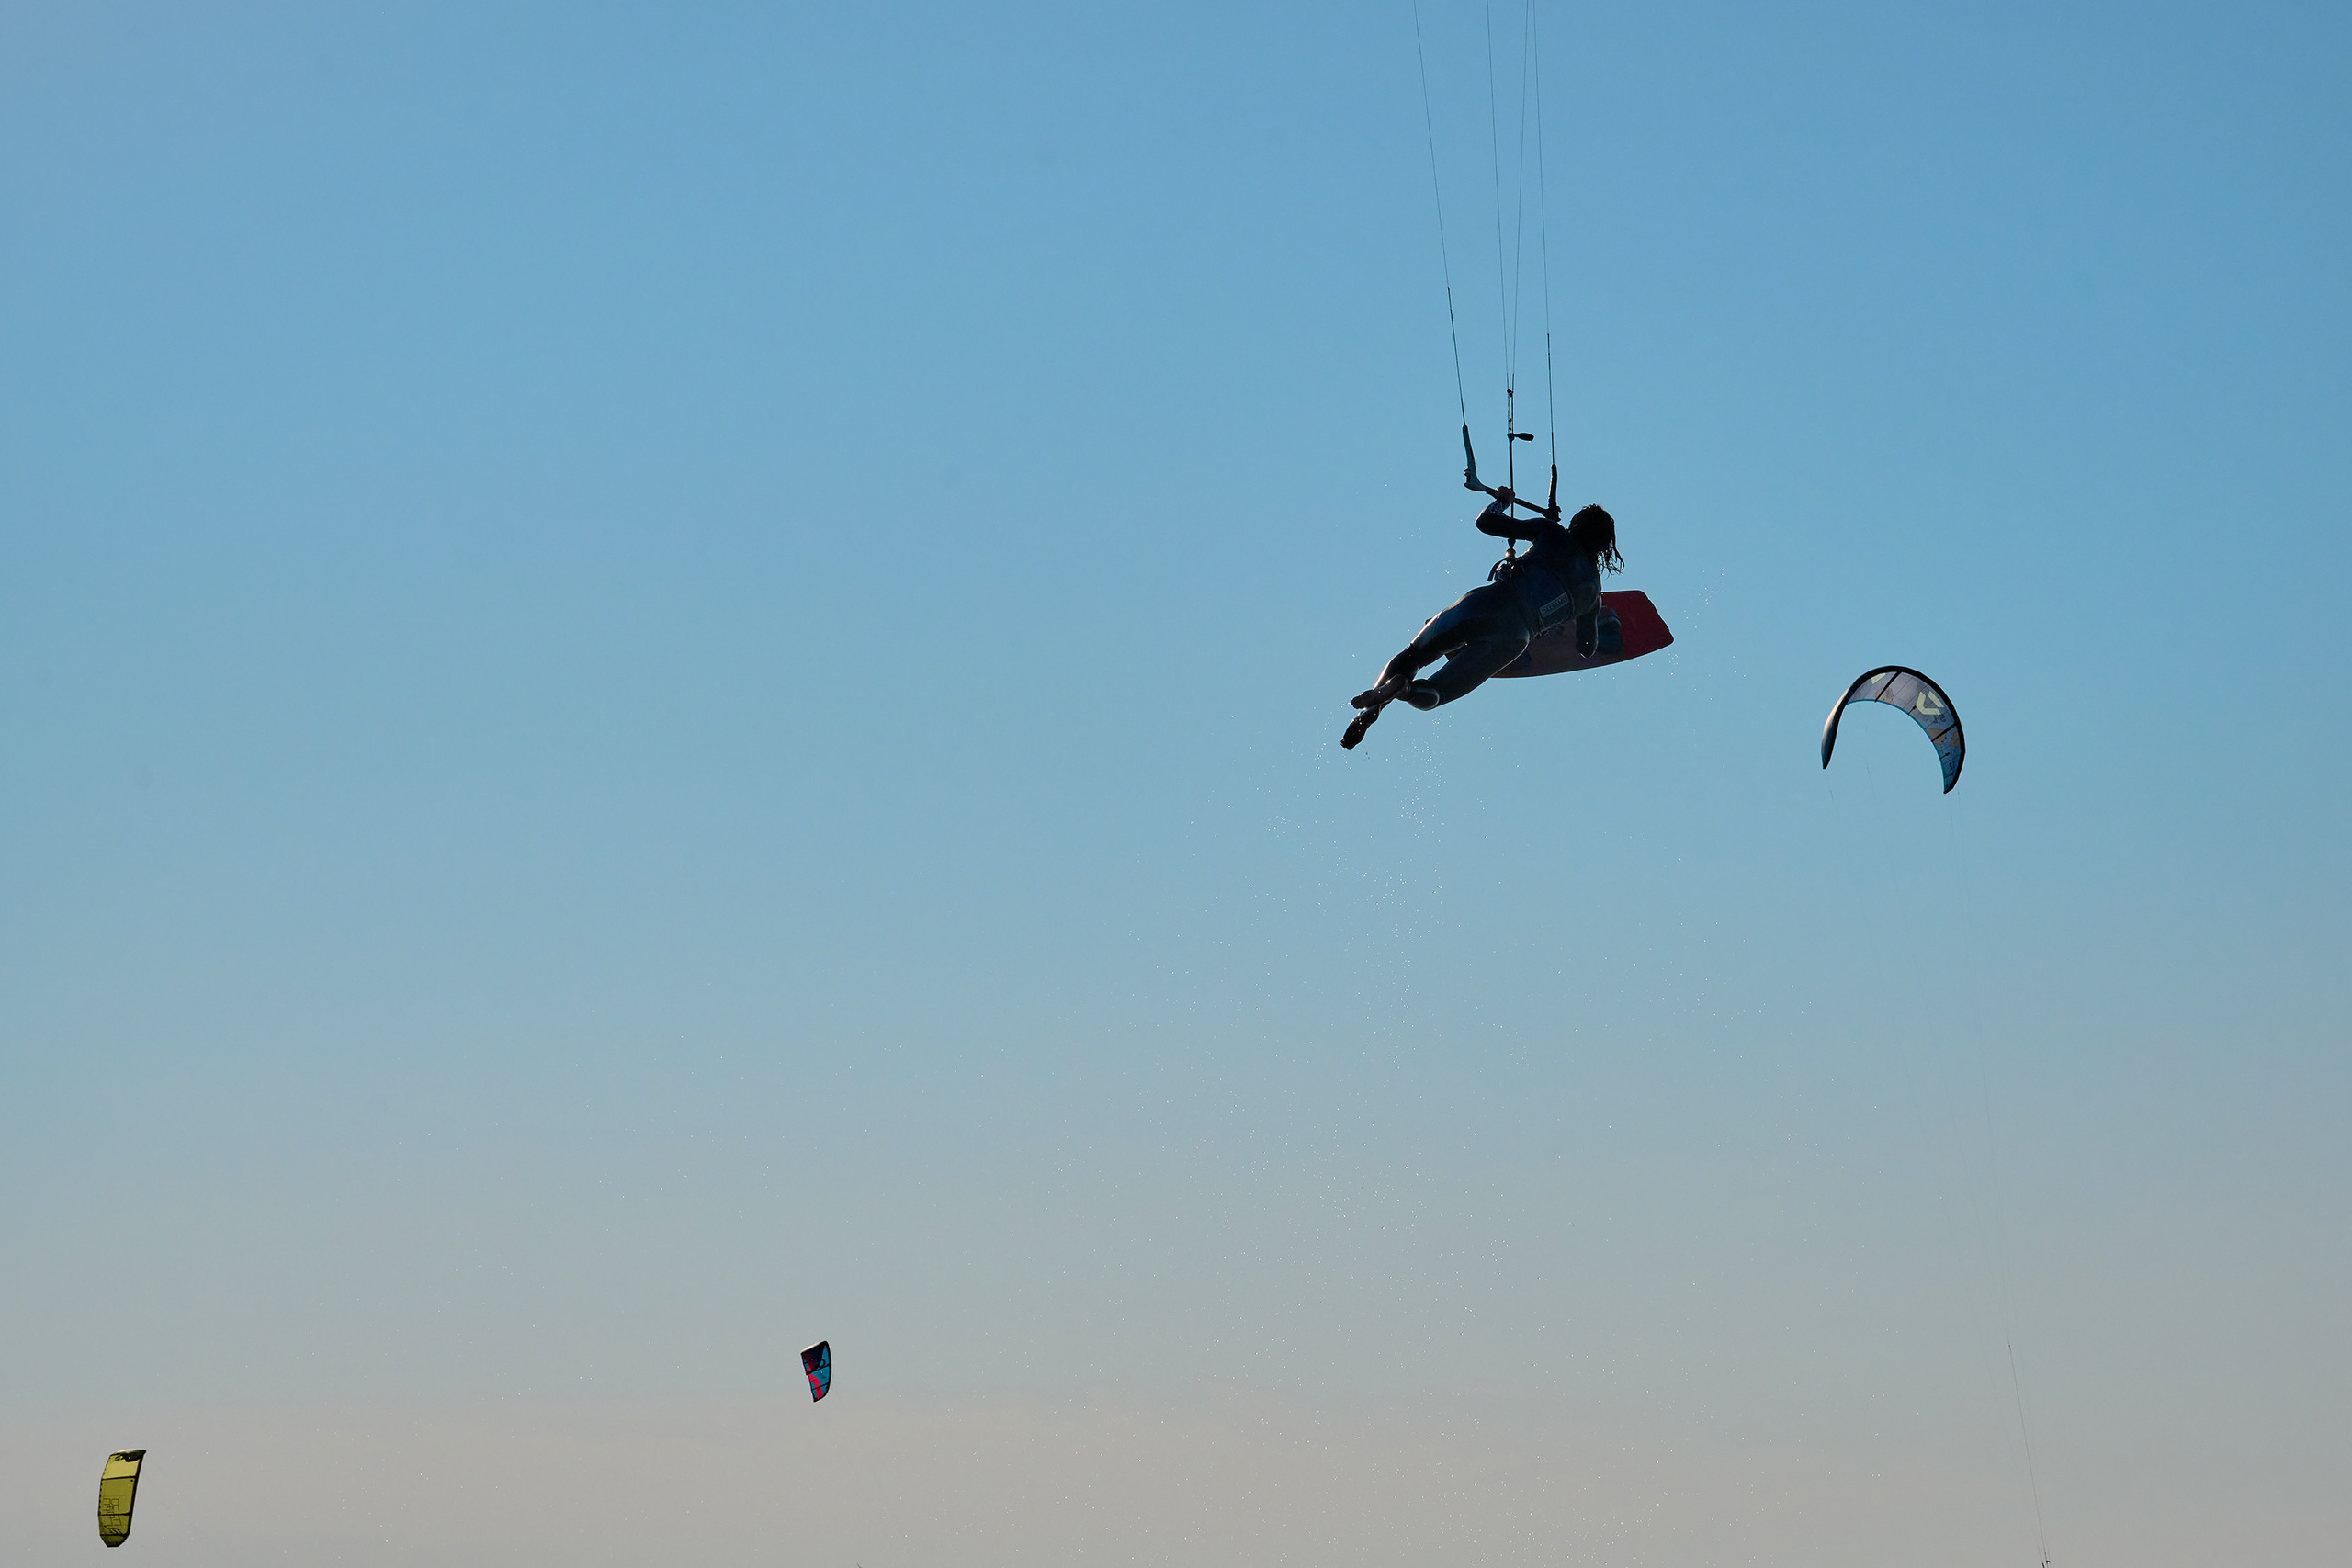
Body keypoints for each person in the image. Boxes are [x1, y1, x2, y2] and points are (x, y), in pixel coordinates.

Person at [1342, 477, 1622, 750]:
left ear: (1575, 525)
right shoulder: (1591, 594)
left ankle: (1369, 711)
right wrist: (1586, 622)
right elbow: (1587, 648)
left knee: (1414, 654)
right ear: (1603, 547)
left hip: (1489, 602)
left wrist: (1501, 501)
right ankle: (1405, 690)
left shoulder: (1552, 532)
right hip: (1514, 638)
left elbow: (1485, 522)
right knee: (1436, 693)